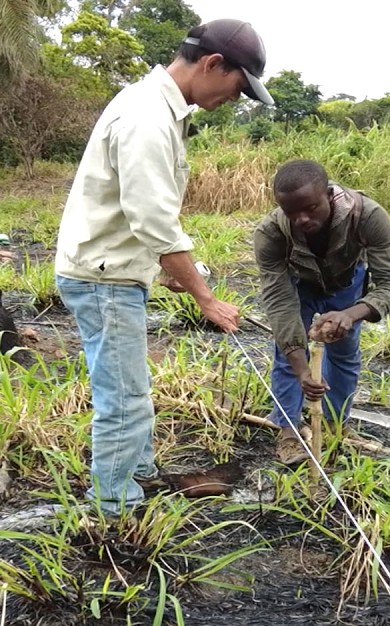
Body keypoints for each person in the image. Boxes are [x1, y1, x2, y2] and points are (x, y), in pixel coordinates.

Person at [55, 19, 274, 516]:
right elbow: (153, 220)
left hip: (112, 269)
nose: (236, 101)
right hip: (103, 279)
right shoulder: (146, 117)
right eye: (239, 88)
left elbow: (146, 212)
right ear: (213, 64)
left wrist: (172, 270)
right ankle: (114, 508)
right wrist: (205, 296)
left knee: (131, 388)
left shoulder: (161, 109)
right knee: (124, 398)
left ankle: (138, 473)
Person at [253, 160, 390, 464]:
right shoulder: (271, 233)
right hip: (299, 285)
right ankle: (288, 433)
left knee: (344, 354)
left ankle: (337, 426)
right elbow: (279, 302)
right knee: (288, 356)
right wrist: (301, 370)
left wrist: (351, 314)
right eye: (292, 213)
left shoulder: (368, 216)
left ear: (328, 193)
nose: (302, 219)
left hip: (347, 285)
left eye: (311, 208)